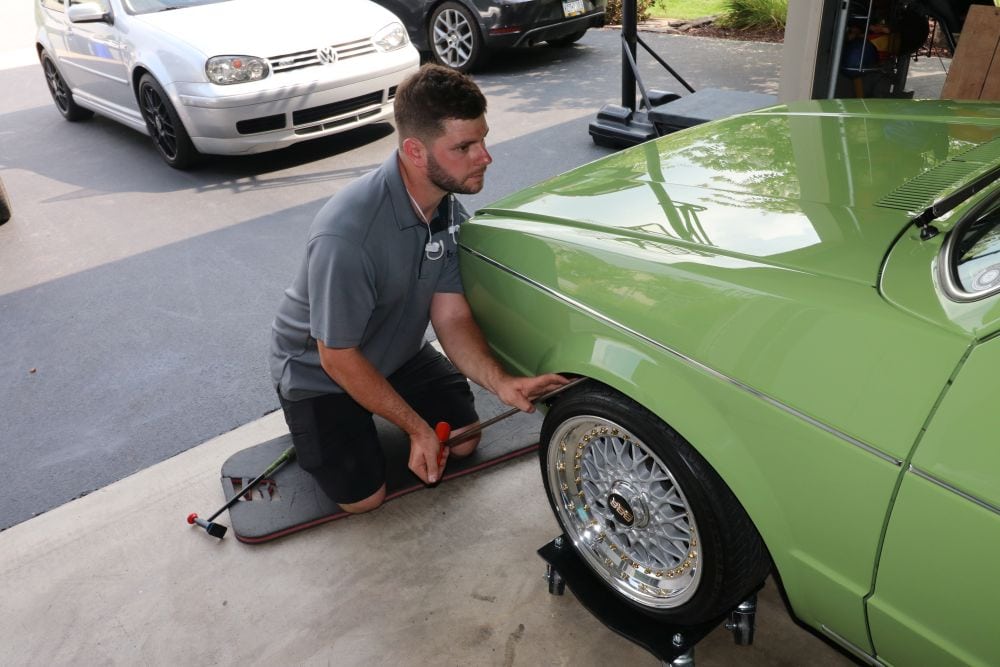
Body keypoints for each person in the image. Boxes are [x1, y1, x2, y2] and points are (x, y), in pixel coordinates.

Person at [269, 64, 568, 514]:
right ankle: (319, 427)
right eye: (464, 147)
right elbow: (337, 356)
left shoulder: (445, 210)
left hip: (395, 352)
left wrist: (501, 382)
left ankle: (381, 409)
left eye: (483, 139)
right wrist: (415, 428)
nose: (484, 156)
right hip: (321, 371)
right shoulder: (347, 236)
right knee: (364, 500)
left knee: (464, 442)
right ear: (414, 150)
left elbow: (450, 315)